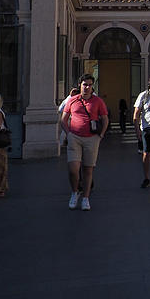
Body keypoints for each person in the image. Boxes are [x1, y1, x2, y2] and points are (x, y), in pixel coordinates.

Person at [60, 74, 108, 211]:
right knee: (73, 170)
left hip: (92, 138)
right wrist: (68, 134)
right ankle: (75, 192)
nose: (87, 87)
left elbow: (105, 119)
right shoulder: (72, 100)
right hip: (74, 137)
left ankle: (85, 198)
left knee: (88, 169)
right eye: (85, 84)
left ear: (92, 87)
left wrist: (101, 135)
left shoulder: (98, 101)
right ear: (79, 85)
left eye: (90, 85)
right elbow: (63, 119)